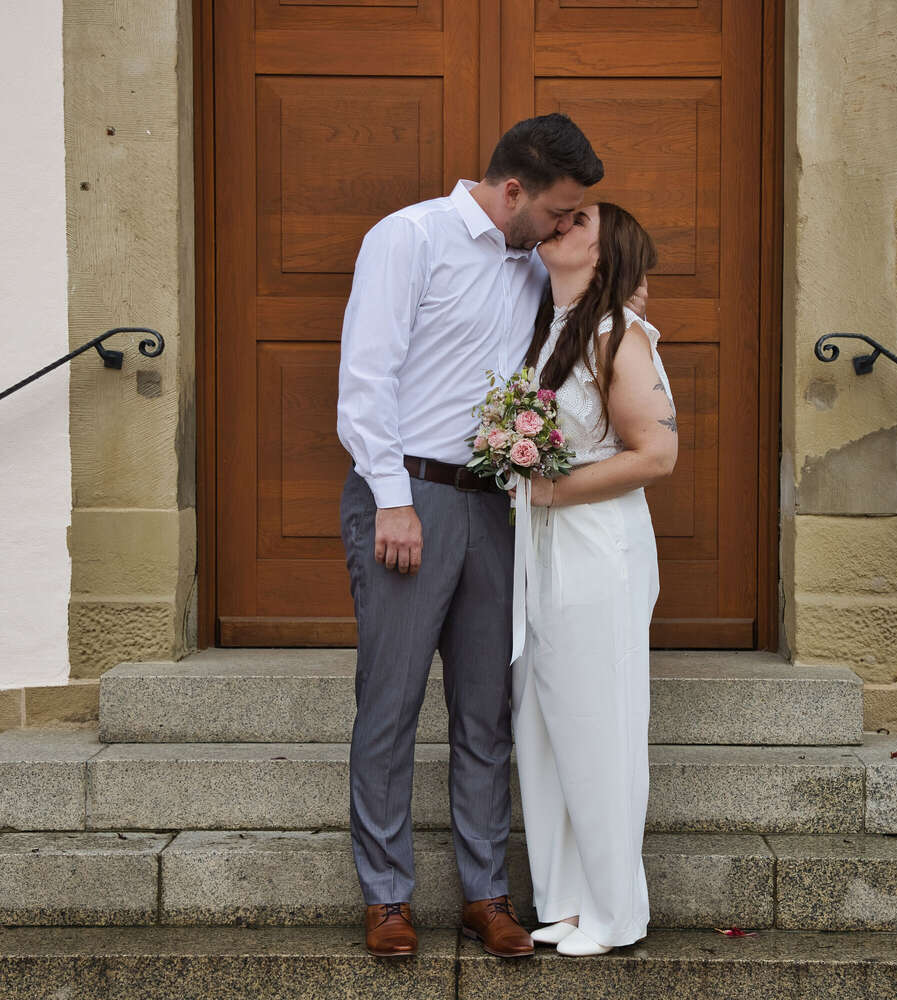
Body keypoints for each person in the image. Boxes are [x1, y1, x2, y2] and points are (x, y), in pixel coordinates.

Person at [336, 113, 606, 959]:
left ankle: (486, 892)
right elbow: (365, 378)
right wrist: (390, 498)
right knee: (391, 703)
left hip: (499, 503)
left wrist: (583, 247)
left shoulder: (540, 264)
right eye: (560, 210)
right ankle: (386, 898)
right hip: (408, 495)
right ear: (513, 190)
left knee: (485, 709)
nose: (565, 226)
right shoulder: (409, 238)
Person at [511, 202, 678, 957]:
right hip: (541, 549)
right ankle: (569, 900)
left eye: (579, 220)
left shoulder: (621, 337)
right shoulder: (551, 329)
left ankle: (617, 912)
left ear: (604, 255)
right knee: (544, 727)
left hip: (596, 551)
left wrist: (550, 490)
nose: (559, 224)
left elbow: (657, 455)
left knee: (598, 725)